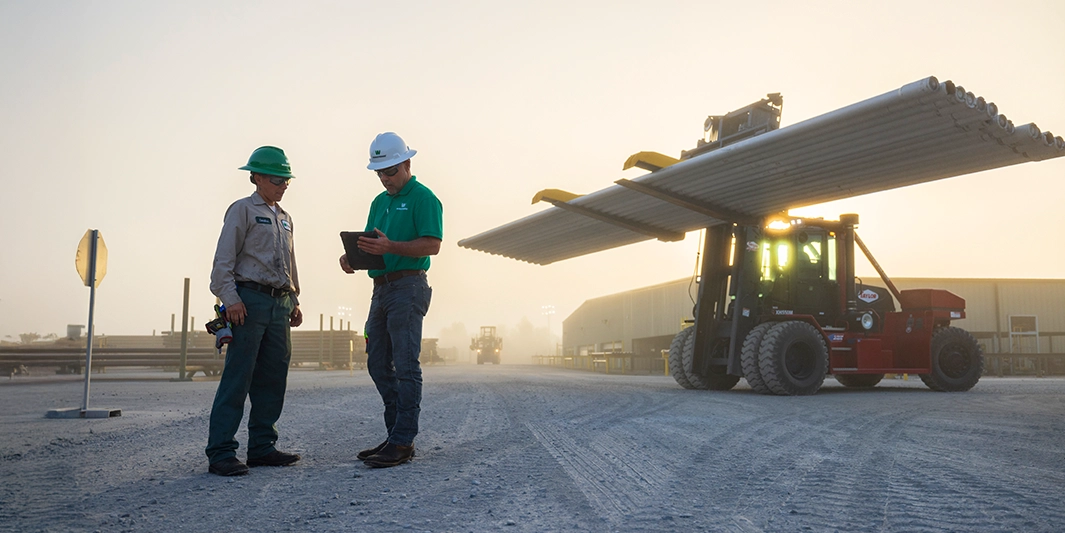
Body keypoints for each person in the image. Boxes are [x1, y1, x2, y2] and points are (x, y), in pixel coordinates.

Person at [339, 132, 442, 468]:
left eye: (390, 171)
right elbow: (373, 245)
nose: (385, 179)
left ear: (407, 164)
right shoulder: (379, 202)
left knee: (406, 363)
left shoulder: (424, 199)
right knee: (377, 361)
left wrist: (392, 247)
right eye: (380, 173)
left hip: (408, 286)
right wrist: (353, 258)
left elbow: (431, 245)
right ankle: (396, 434)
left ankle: (402, 440)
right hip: (381, 288)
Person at [206, 145, 304, 476]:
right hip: (247, 302)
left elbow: (289, 262)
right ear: (256, 177)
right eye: (277, 179)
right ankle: (221, 451)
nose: (283, 185)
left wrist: (295, 298)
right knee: (238, 377)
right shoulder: (242, 211)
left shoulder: (285, 219)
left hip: (280, 304)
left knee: (273, 378)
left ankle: (262, 447)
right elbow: (223, 261)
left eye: (286, 180)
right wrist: (230, 299)